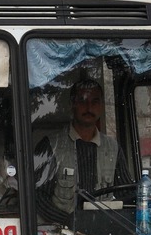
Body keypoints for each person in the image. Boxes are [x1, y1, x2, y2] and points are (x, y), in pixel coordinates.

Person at [33, 78, 126, 222]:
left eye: (94, 101)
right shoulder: (51, 146)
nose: (89, 107)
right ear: (72, 104)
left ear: (101, 106)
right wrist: (70, 222)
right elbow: (37, 197)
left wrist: (149, 197)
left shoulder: (113, 148)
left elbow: (125, 192)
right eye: (83, 100)